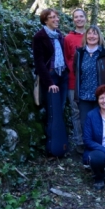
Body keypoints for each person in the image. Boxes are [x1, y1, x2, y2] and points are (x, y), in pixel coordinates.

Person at [32, 8, 69, 157]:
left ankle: (61, 143)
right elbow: (39, 63)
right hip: (51, 77)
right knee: (52, 112)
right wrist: (49, 83)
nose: (56, 19)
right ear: (45, 20)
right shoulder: (39, 37)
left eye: (56, 16)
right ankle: (52, 146)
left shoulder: (59, 35)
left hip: (63, 75)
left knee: (60, 109)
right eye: (52, 17)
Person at [73, 25, 105, 135]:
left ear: (99, 36)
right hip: (84, 95)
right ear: (85, 36)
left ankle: (101, 149)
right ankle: (88, 149)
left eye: (95, 33)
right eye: (89, 33)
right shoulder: (79, 53)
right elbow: (76, 71)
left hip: (101, 96)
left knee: (101, 123)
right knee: (85, 123)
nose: (92, 36)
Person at [64, 8, 87, 152]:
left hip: (90, 81)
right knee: (76, 111)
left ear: (85, 18)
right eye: (76, 17)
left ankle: (92, 139)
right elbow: (67, 58)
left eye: (81, 16)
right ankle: (79, 142)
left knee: (91, 110)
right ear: (73, 20)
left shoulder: (92, 35)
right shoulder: (68, 38)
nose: (78, 19)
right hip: (73, 81)